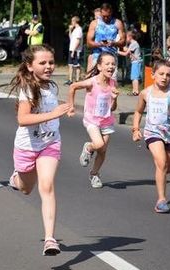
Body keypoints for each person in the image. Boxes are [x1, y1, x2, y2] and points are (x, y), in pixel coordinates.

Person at [8, 45, 71, 256]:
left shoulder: (52, 87)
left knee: (47, 186)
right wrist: (54, 114)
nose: (48, 67)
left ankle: (50, 239)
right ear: (30, 65)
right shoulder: (27, 89)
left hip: (50, 143)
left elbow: (51, 109)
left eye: (51, 62)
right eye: (42, 63)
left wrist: (64, 109)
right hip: (27, 146)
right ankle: (15, 178)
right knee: (26, 189)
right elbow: (23, 119)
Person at [132, 59, 170, 213]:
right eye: (161, 74)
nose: (164, 77)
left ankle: (161, 175)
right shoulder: (145, 93)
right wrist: (136, 128)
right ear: (153, 74)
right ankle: (161, 200)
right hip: (152, 132)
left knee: (167, 168)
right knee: (162, 163)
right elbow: (138, 111)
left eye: (168, 75)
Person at [68, 52, 119, 188]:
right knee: (98, 144)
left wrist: (114, 98)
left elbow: (113, 108)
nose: (111, 66)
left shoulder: (113, 83)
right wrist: (71, 106)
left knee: (102, 151)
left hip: (107, 121)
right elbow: (73, 87)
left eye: (113, 64)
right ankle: (89, 147)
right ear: (99, 66)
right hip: (92, 120)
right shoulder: (92, 82)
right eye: (107, 64)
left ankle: (94, 174)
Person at [86, 3, 126, 72]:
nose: (106, 18)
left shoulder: (117, 23)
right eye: (103, 16)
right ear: (100, 13)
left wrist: (114, 43)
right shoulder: (94, 23)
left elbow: (123, 42)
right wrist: (100, 44)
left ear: (111, 13)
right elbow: (88, 43)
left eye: (108, 16)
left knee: (111, 82)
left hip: (112, 58)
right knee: (95, 82)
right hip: (97, 57)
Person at [119, 30, 142, 95]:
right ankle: (134, 91)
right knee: (133, 77)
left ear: (130, 37)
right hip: (134, 62)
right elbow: (127, 50)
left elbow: (126, 54)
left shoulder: (134, 44)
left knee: (135, 78)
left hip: (136, 62)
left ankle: (136, 91)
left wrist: (117, 52)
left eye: (126, 37)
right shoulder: (133, 44)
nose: (126, 39)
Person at [66, 16, 83, 86]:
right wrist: (70, 30)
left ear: (75, 21)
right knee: (70, 64)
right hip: (71, 49)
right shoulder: (75, 29)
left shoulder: (79, 30)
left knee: (77, 65)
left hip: (76, 50)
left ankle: (77, 80)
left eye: (72, 21)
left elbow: (78, 41)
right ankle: (70, 80)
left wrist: (73, 51)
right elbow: (71, 38)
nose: (71, 23)